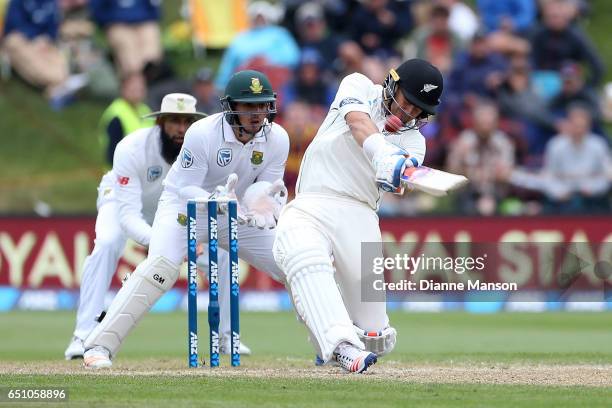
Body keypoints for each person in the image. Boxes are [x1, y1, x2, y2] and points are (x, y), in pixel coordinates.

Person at [82, 70, 290, 368]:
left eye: (262, 105)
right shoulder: (195, 134)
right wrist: (208, 203)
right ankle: (98, 345)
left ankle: (337, 342)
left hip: (232, 211)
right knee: (159, 270)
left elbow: (267, 185)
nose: (257, 113)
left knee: (290, 261)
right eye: (248, 106)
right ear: (230, 106)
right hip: (183, 209)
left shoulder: (277, 137)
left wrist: (261, 202)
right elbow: (183, 187)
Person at [272, 59, 443, 373]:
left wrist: (397, 175)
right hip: (313, 200)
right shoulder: (358, 85)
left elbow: (398, 185)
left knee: (377, 339)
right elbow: (357, 122)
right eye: (408, 102)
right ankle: (339, 345)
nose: (411, 114)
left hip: (361, 217)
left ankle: (325, 316)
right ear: (392, 85)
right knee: (303, 255)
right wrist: (383, 153)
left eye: (420, 111)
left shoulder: (414, 140)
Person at [64, 93, 207, 360]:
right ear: (160, 123)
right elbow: (128, 217)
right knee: (107, 242)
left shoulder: (199, 151)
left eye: (187, 121)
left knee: (216, 252)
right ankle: (82, 334)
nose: (181, 129)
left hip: (167, 208)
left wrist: (194, 238)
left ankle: (227, 337)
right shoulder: (131, 148)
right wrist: (168, 244)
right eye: (174, 121)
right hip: (119, 199)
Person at [99, 72, 153, 166]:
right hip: (122, 175)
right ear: (123, 88)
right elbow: (112, 155)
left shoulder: (146, 110)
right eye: (134, 87)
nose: (138, 89)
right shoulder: (116, 115)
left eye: (141, 86)